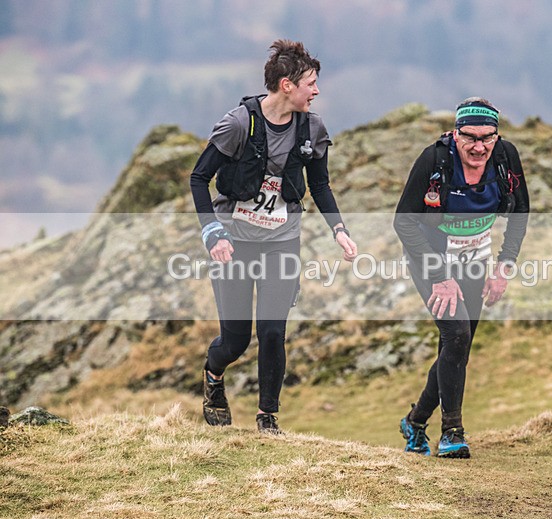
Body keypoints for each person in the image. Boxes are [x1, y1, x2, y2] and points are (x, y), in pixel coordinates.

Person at [189, 39, 357, 434]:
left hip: (282, 239)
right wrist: (213, 234)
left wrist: (340, 230)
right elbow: (199, 178)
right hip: (234, 241)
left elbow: (320, 185)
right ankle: (213, 377)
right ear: (287, 85)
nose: (316, 91)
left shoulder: (312, 127)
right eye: (311, 83)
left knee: (272, 331)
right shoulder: (237, 124)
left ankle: (268, 418)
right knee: (235, 341)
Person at [393, 97, 530, 458]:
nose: (479, 146)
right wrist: (440, 275)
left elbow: (521, 213)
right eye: (470, 137)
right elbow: (403, 220)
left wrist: (504, 266)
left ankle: (415, 420)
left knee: (458, 346)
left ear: (496, 137)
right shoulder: (433, 161)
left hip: (475, 259)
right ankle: (452, 431)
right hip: (431, 260)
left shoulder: (505, 157)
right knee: (455, 333)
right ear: (456, 134)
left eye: (487, 138)